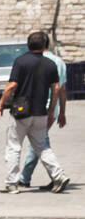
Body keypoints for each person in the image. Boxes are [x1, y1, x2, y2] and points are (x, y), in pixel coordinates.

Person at [0, 30, 67, 194]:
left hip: (21, 112)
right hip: (40, 112)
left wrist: (0, 103)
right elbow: (56, 88)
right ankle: (58, 175)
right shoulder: (51, 64)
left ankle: (12, 183)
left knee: (14, 146)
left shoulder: (20, 61)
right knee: (42, 147)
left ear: (28, 44)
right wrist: (51, 110)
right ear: (45, 45)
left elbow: (12, 85)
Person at [17, 45, 69, 190]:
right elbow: (62, 89)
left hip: (38, 107)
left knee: (40, 143)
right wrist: (62, 111)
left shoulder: (38, 61)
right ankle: (49, 176)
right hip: (53, 108)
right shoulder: (59, 62)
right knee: (40, 141)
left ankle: (54, 175)